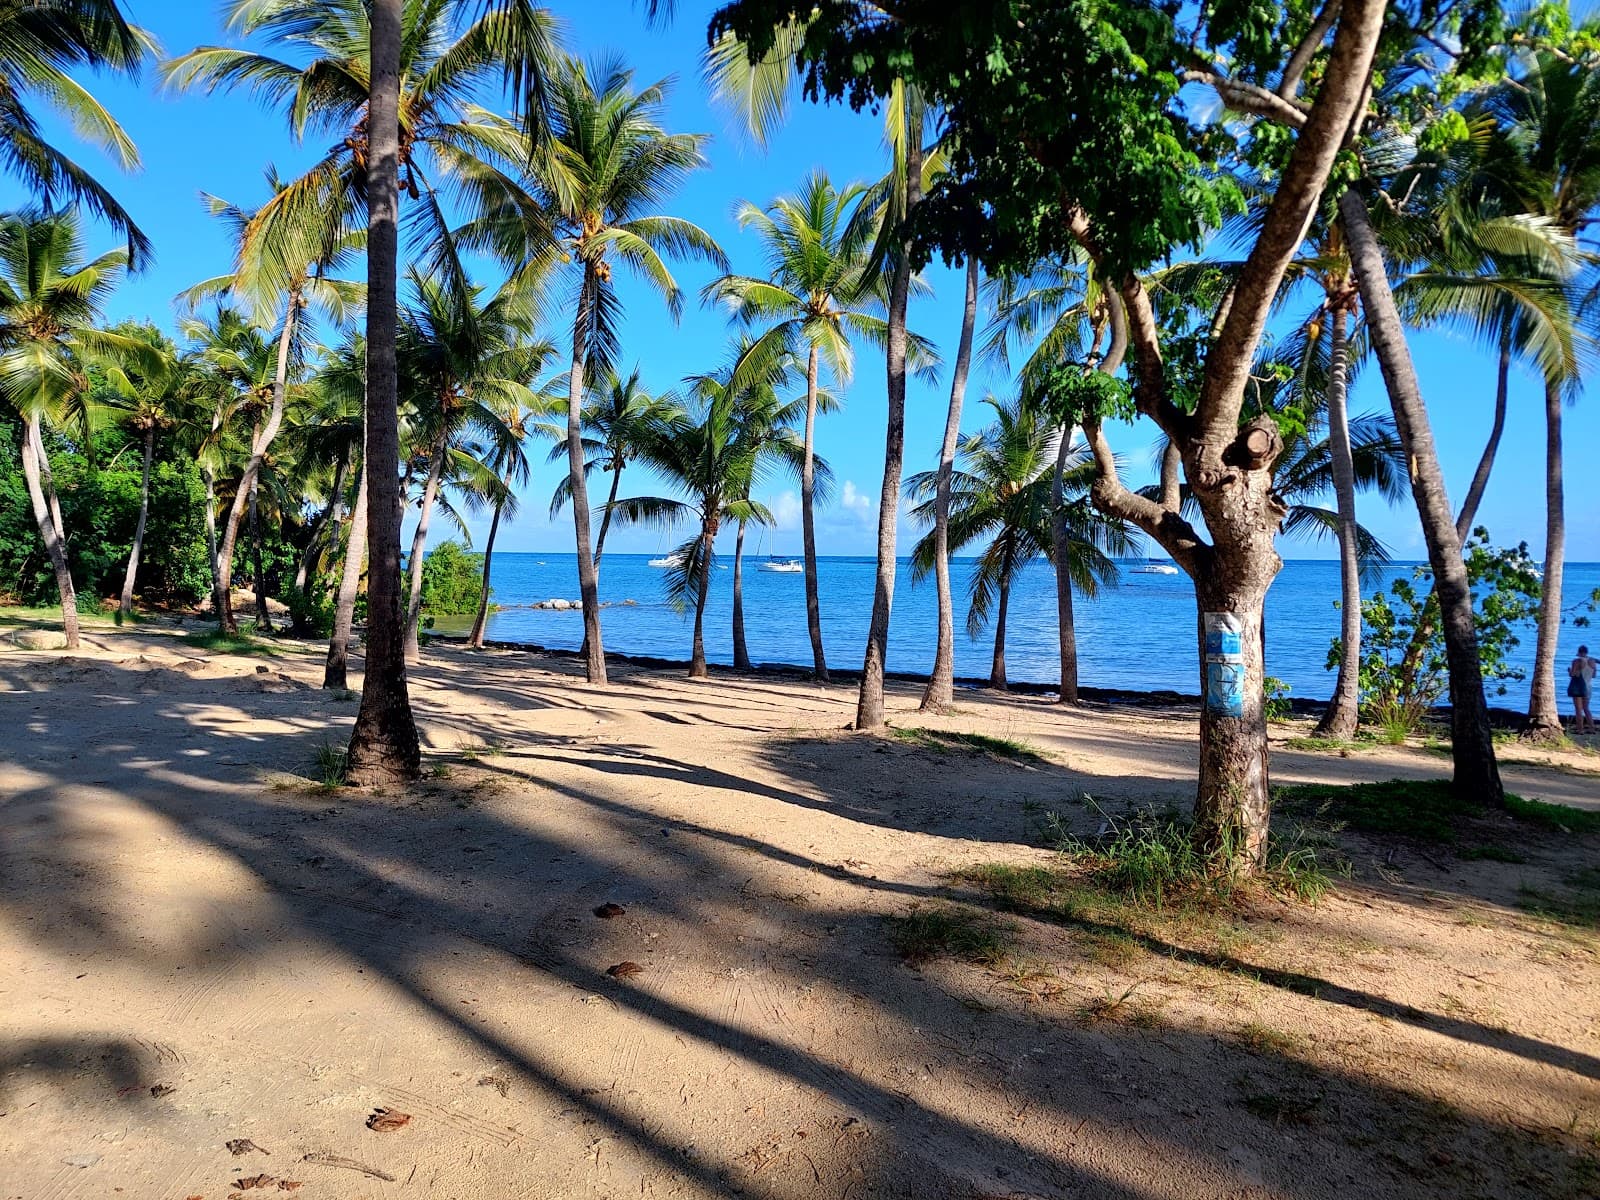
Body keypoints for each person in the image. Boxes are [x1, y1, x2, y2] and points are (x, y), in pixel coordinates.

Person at [1569, 645, 1597, 735]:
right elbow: (1594, 675)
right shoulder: (1592, 662)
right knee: (1586, 708)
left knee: (1578, 709)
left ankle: (1580, 729)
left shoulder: (1577, 661)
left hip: (1579, 687)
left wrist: (1569, 671)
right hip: (1588, 686)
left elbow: (1573, 674)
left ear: (1579, 652)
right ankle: (1592, 728)